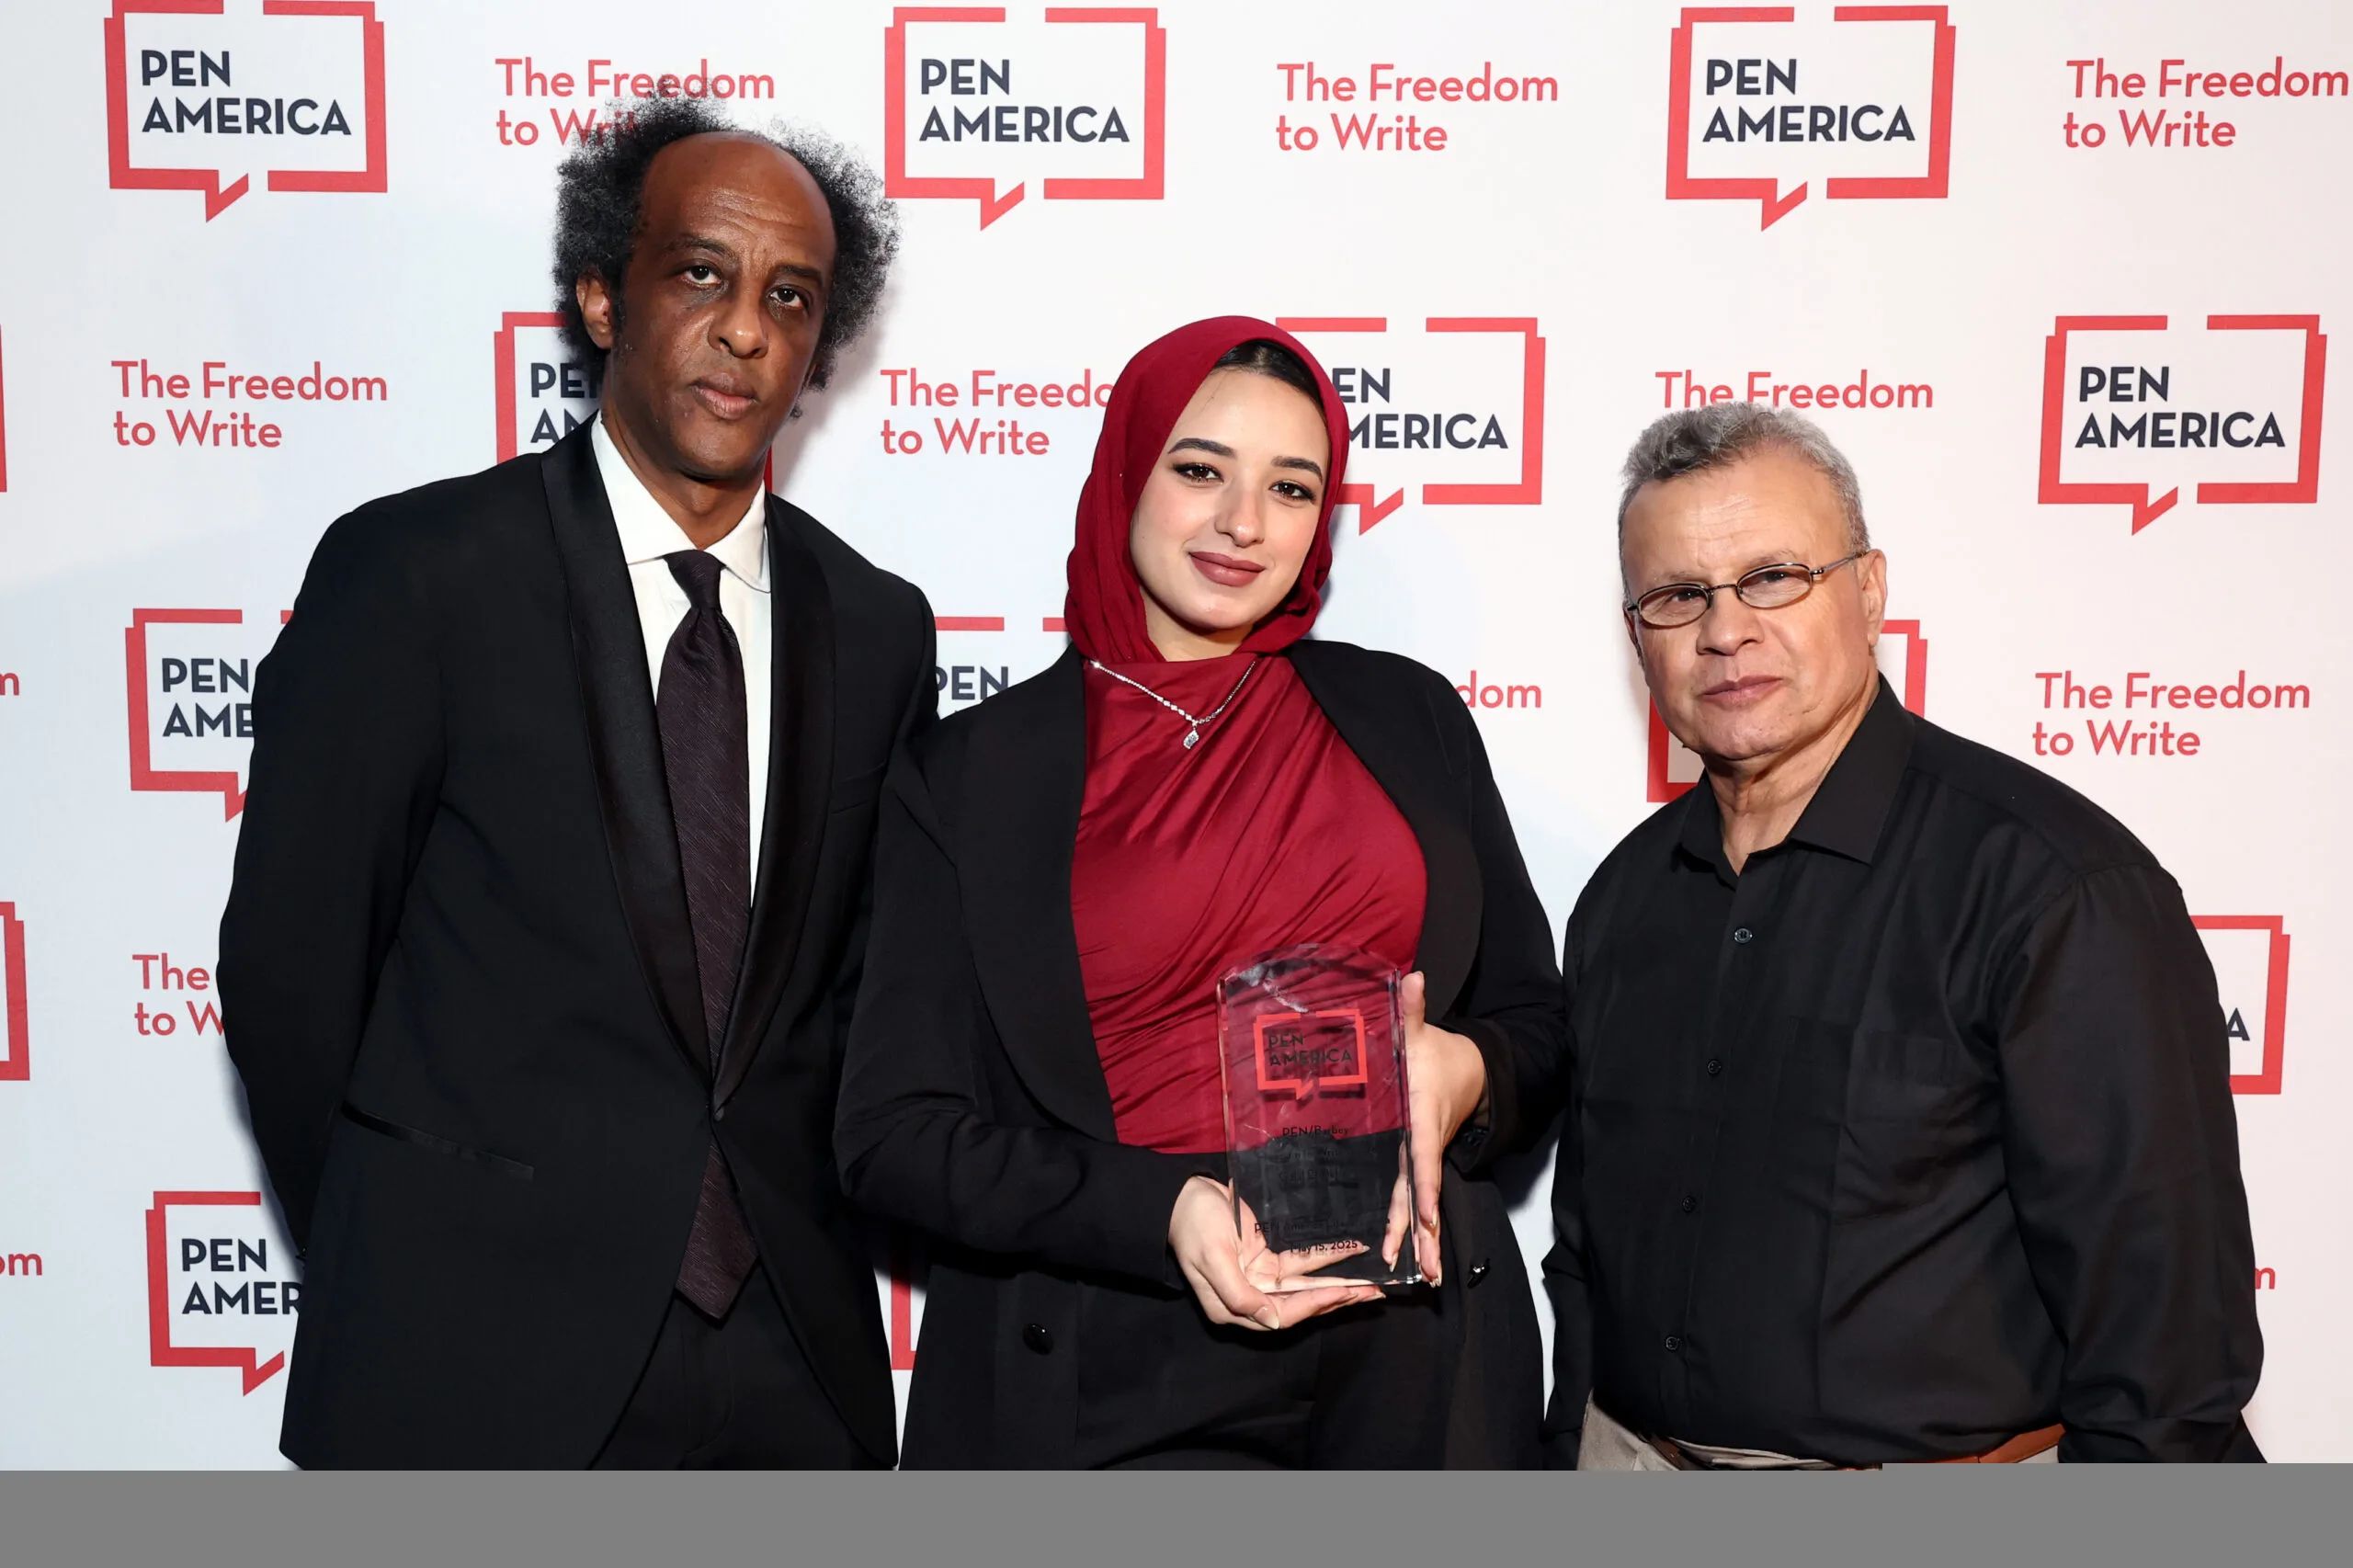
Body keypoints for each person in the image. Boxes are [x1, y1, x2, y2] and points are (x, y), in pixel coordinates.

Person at [218, 100, 931, 1468]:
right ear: (603, 295)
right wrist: (412, 1249)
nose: (745, 328)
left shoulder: (880, 623)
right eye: (701, 273)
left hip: (794, 1372)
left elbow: (853, 1007)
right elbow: (292, 983)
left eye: (791, 296)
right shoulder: (417, 576)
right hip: (469, 1361)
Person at [833, 318, 1565, 1468]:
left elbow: (1539, 1026)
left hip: (1415, 1351)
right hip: (1105, 1357)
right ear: (1127, 469)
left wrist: (1464, 1069)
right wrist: (1159, 1208)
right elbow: (894, 1135)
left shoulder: (1408, 719)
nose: (1242, 522)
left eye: (1290, 486)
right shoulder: (972, 771)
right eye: (1199, 469)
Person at [1541, 403, 2264, 1467]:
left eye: (1773, 576)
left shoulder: (2053, 886)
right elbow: (1585, 1257)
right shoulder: (1622, 897)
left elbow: (2162, 1342)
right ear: (1636, 630)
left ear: (1869, 590)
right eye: (1677, 594)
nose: (1724, 628)